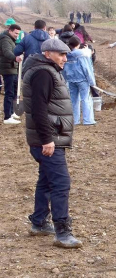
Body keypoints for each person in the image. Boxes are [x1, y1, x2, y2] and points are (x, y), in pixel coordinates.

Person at [22, 39, 82, 248]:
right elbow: (38, 110)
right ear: (48, 54)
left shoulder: (46, 70)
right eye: (61, 54)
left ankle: (39, 222)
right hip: (47, 141)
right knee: (60, 183)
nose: (65, 58)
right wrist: (47, 139)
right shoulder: (43, 73)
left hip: (48, 139)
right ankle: (62, 233)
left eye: (66, 55)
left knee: (46, 181)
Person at [63, 37, 96, 125]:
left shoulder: (66, 55)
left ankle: (75, 120)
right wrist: (92, 82)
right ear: (78, 44)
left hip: (71, 80)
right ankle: (88, 120)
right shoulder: (81, 55)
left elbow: (64, 70)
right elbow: (86, 69)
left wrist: (65, 80)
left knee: (73, 100)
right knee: (86, 99)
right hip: (82, 80)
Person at [1, 24, 22, 124]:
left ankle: (12, 112)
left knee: (13, 91)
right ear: (10, 31)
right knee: (9, 92)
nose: (17, 35)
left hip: (12, 68)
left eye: (18, 34)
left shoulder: (10, 39)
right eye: (16, 33)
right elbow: (6, 52)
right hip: (8, 69)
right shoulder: (5, 39)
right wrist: (15, 58)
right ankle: (7, 117)